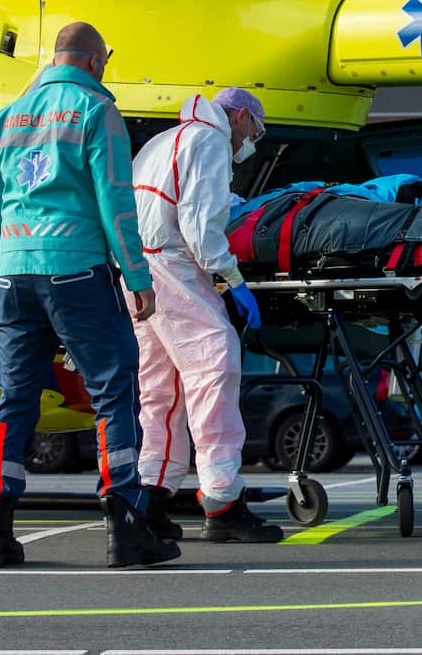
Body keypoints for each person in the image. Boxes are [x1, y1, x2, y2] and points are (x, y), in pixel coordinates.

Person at [0, 22, 178, 569]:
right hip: (77, 272)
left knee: (15, 398)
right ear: (93, 61)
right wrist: (137, 277)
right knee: (114, 392)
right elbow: (116, 201)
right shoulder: (96, 111)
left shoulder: (4, 118)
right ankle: (125, 524)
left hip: (13, 275)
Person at [130, 87, 282, 543]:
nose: (250, 142)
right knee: (215, 363)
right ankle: (222, 501)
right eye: (255, 130)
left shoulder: (165, 140)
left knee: (162, 387)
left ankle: (151, 499)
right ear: (240, 117)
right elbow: (199, 226)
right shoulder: (209, 140)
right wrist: (232, 278)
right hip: (173, 266)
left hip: (136, 270)